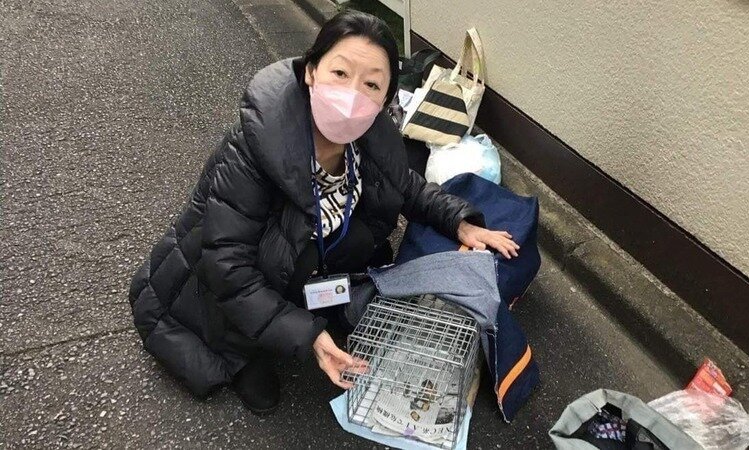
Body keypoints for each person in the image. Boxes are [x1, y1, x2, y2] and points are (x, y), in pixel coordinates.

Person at [128, 9, 519, 415]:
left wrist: (461, 222)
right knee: (248, 297)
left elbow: (408, 186)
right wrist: (309, 337)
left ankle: (308, 306)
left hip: (305, 262)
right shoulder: (253, 148)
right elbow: (227, 267)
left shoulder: (372, 139)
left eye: (371, 84)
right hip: (220, 286)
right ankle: (242, 356)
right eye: (340, 73)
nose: (352, 95)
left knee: (348, 255)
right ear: (311, 72)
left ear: (386, 100)